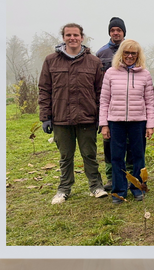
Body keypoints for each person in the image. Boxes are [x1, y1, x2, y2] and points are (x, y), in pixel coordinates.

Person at [38, 23, 107, 204]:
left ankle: (96, 186)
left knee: (89, 155)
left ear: (82, 37)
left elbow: (100, 92)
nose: (72, 38)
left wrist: (101, 118)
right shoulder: (51, 61)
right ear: (63, 38)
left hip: (87, 117)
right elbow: (44, 90)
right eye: (68, 35)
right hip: (61, 118)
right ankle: (64, 189)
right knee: (65, 157)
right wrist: (46, 117)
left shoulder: (94, 62)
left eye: (76, 35)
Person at [99, 39, 154, 204]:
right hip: (115, 122)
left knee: (138, 156)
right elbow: (104, 100)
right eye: (126, 53)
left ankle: (137, 188)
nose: (130, 56)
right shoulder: (111, 72)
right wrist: (104, 124)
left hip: (138, 122)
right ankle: (119, 190)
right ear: (121, 54)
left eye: (133, 53)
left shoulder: (144, 74)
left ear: (138, 55)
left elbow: (149, 102)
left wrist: (150, 125)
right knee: (117, 157)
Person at [95, 16, 132, 191]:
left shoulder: (132, 49)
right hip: (110, 106)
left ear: (124, 32)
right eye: (113, 30)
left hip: (131, 107)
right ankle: (111, 177)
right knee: (109, 143)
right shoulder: (101, 54)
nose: (116, 33)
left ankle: (131, 175)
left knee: (131, 143)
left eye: (119, 30)